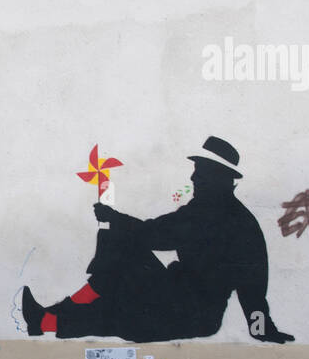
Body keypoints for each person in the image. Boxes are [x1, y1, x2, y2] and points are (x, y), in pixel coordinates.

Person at [21, 137, 294, 344]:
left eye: (200, 172)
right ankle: (45, 319)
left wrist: (261, 329)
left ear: (218, 177)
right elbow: (156, 232)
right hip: (178, 302)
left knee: (117, 295)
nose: (193, 177)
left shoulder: (224, 219)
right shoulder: (212, 212)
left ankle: (63, 309)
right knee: (115, 300)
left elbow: (253, 284)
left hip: (190, 314)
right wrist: (116, 219)